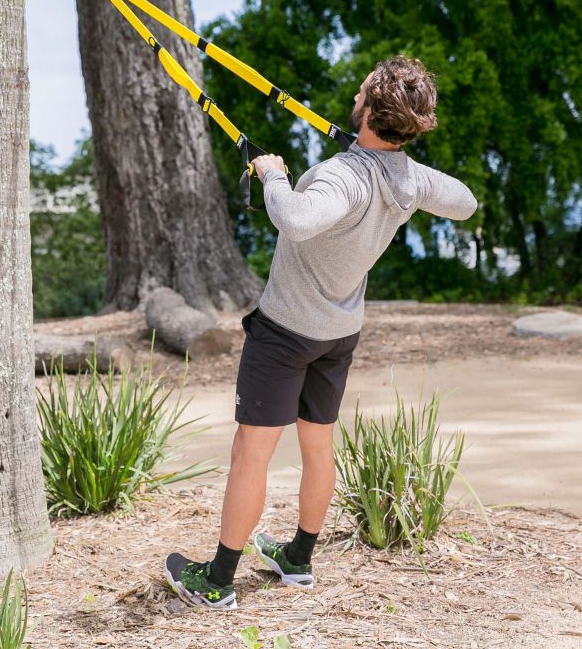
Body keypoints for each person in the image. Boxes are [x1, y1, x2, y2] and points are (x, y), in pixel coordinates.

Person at [165, 55, 478, 610]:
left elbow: (296, 218)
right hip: (338, 333)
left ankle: (216, 581)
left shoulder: (343, 177)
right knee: (317, 442)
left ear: (367, 110)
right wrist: (400, 167)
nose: (353, 96)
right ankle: (299, 558)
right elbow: (465, 202)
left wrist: (274, 174)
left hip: (286, 332)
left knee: (250, 454)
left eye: (360, 93)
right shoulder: (406, 179)